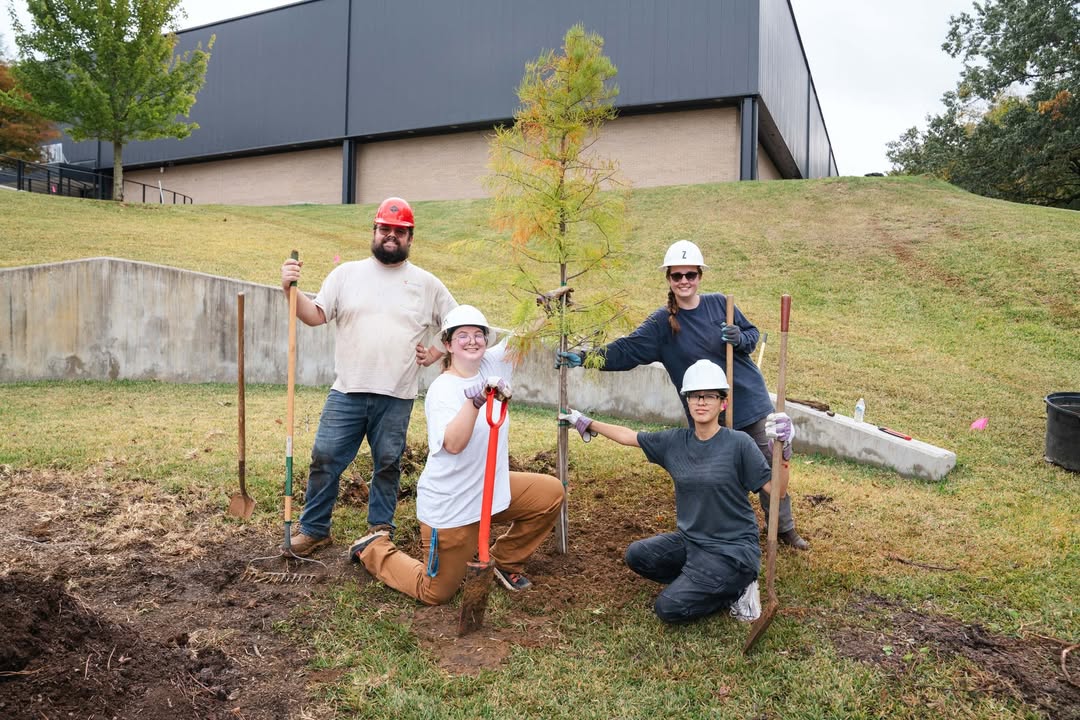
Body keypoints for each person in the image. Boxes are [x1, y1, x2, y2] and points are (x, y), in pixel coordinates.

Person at [558, 239, 808, 550]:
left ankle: (783, 530)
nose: (685, 281)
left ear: (700, 275)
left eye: (691, 275)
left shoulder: (721, 305)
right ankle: (726, 533)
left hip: (750, 401)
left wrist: (740, 337)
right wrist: (586, 358)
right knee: (721, 476)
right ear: (669, 279)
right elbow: (628, 350)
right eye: (677, 276)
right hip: (708, 415)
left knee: (767, 469)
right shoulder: (662, 324)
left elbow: (752, 335)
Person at [279, 197, 457, 556]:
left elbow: (456, 321)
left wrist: (436, 351)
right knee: (325, 457)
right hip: (347, 390)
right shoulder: (346, 275)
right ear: (374, 231)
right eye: (385, 229)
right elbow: (314, 316)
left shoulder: (427, 284)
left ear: (410, 237)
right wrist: (289, 289)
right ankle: (314, 530)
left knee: (388, 464)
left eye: (400, 231)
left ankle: (379, 531)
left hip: (397, 393)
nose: (391, 235)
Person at [350, 305, 563, 603]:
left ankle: (504, 561)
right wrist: (474, 403)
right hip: (453, 507)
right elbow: (453, 444)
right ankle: (373, 548)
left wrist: (548, 307)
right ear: (448, 345)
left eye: (479, 335)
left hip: (490, 489)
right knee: (435, 593)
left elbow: (523, 336)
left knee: (549, 493)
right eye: (462, 335)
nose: (472, 341)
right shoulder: (443, 391)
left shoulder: (492, 364)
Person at [559, 359, 796, 624]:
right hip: (692, 543)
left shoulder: (739, 444)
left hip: (733, 551)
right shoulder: (674, 442)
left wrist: (784, 451)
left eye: (709, 396)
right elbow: (629, 436)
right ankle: (702, 581)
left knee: (669, 608)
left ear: (723, 403)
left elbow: (777, 492)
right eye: (695, 396)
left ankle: (738, 590)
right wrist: (587, 423)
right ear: (687, 402)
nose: (701, 401)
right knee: (637, 555)